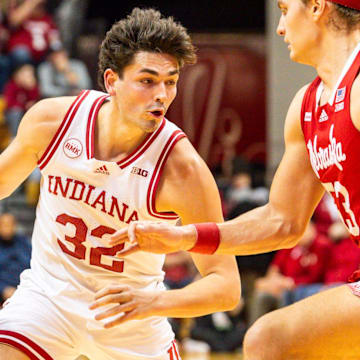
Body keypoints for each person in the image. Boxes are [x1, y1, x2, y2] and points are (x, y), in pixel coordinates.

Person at [111, 1, 360, 358]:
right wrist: (186, 236)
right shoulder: (308, 105)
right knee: (269, 341)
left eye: (286, 10)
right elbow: (281, 220)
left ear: (318, 6)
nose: (280, 27)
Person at [0, 7, 241, 360]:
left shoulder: (183, 169)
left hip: (133, 318)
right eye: (147, 80)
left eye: (170, 81)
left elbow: (225, 286)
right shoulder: (52, 122)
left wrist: (155, 302)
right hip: (48, 301)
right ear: (112, 81)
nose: (162, 94)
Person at [0, 213, 31, 306]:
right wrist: (3, 289)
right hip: (3, 291)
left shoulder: (24, 242)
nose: (7, 228)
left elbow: (32, 266)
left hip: (24, 288)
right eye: (3, 225)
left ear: (15, 226)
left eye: (9, 225)